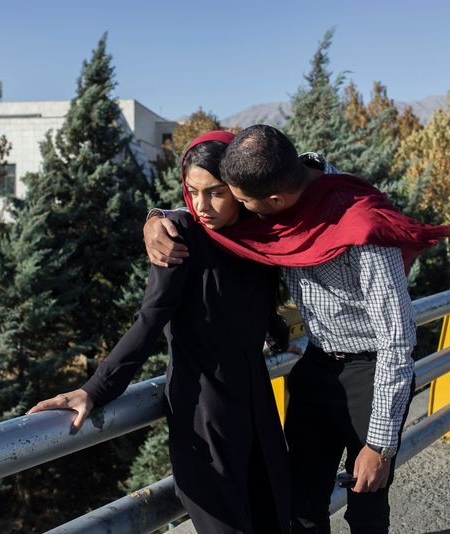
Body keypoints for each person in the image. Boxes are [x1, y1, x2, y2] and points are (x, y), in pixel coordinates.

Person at [143, 124, 450, 534]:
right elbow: (209, 201)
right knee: (301, 507)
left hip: (371, 373)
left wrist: (380, 445)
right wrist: (158, 218)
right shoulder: (273, 174)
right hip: (316, 366)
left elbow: (397, 339)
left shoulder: (361, 225)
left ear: (274, 201)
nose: (241, 211)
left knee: (367, 508)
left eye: (244, 203)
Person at [27, 131, 292, 534]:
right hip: (204, 411)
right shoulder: (179, 236)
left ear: (239, 190)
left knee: (275, 519)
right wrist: (95, 389)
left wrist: (276, 331)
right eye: (192, 191)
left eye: (216, 193)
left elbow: (255, 298)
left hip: (257, 405)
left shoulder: (258, 231)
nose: (201, 205)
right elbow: (150, 318)